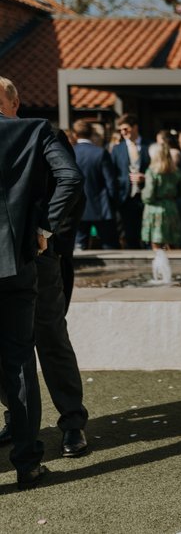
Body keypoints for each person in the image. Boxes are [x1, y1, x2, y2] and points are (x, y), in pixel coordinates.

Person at [0, 79, 84, 489]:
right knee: (17, 357)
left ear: (15, 102)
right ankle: (21, 436)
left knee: (49, 337)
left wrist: (46, 233)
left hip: (39, 255)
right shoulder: (34, 131)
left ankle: (71, 423)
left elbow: (70, 184)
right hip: (21, 258)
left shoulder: (42, 132)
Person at [72, 120, 118, 250]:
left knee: (79, 246)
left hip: (77, 206)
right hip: (101, 206)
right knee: (109, 245)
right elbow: (111, 182)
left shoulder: (70, 153)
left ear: (75, 134)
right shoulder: (101, 153)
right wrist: (113, 203)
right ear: (92, 133)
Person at [110, 114, 150, 249]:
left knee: (147, 234)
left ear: (135, 127)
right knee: (130, 235)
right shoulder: (117, 149)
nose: (123, 132)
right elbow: (113, 174)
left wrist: (145, 177)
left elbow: (157, 170)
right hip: (126, 197)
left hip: (147, 196)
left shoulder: (149, 146)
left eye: (126, 129)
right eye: (121, 130)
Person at [140, 143, 181, 250]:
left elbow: (148, 195)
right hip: (171, 207)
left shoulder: (152, 171)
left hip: (155, 209)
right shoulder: (176, 171)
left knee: (157, 243)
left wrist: (143, 195)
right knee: (173, 241)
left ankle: (159, 266)